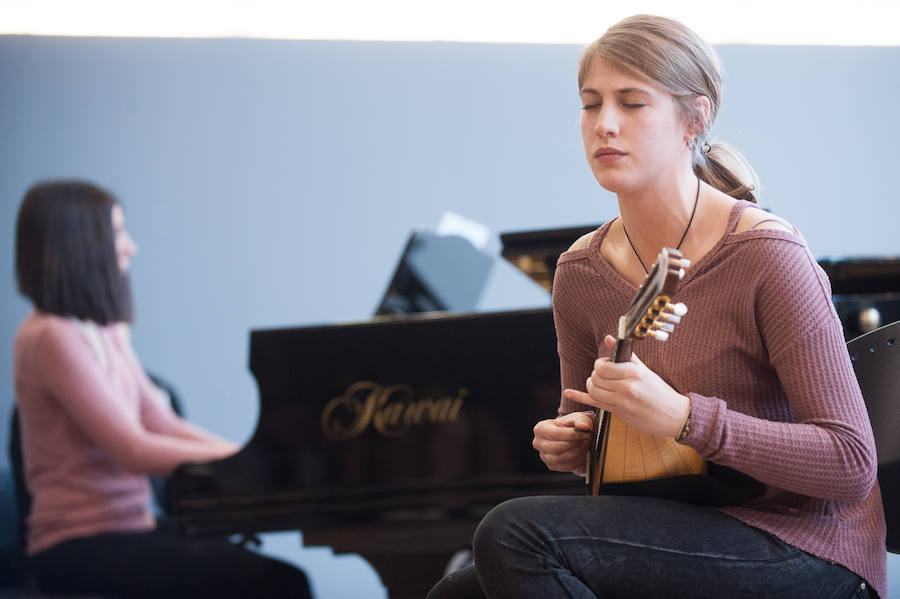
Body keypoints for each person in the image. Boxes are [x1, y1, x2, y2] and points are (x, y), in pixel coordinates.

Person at [428, 14, 886, 599]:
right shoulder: (580, 273)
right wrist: (578, 443)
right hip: (692, 526)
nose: (605, 125)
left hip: (807, 546)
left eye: (632, 103)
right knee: (457, 594)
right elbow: (608, 451)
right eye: (591, 104)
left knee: (514, 533)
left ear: (693, 118)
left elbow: (849, 463)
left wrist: (685, 418)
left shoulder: (766, 254)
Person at [13, 180, 314, 598]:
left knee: (272, 576)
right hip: (76, 546)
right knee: (280, 584)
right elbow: (132, 449)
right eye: (117, 232)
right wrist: (245, 460)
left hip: (132, 526)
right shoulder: (49, 336)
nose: (130, 246)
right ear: (80, 242)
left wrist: (245, 452)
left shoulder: (104, 330)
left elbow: (160, 421)